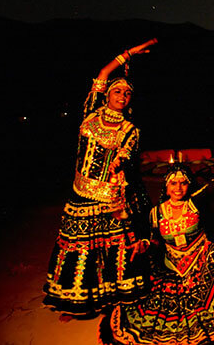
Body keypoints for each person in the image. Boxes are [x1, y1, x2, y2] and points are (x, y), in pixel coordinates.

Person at [43, 39, 157, 317]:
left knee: (113, 248)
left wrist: (121, 160)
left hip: (111, 197)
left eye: (127, 94)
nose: (122, 96)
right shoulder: (90, 112)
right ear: (107, 94)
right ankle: (76, 300)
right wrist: (128, 54)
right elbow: (103, 74)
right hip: (81, 191)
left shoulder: (131, 128)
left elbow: (128, 152)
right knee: (79, 246)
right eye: (117, 91)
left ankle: (117, 299)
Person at [100, 164, 214, 345]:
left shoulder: (196, 203)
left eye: (183, 183)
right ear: (166, 187)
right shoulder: (156, 213)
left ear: (189, 185)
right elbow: (153, 238)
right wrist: (145, 244)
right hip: (171, 265)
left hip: (201, 261)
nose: (178, 188)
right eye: (173, 183)